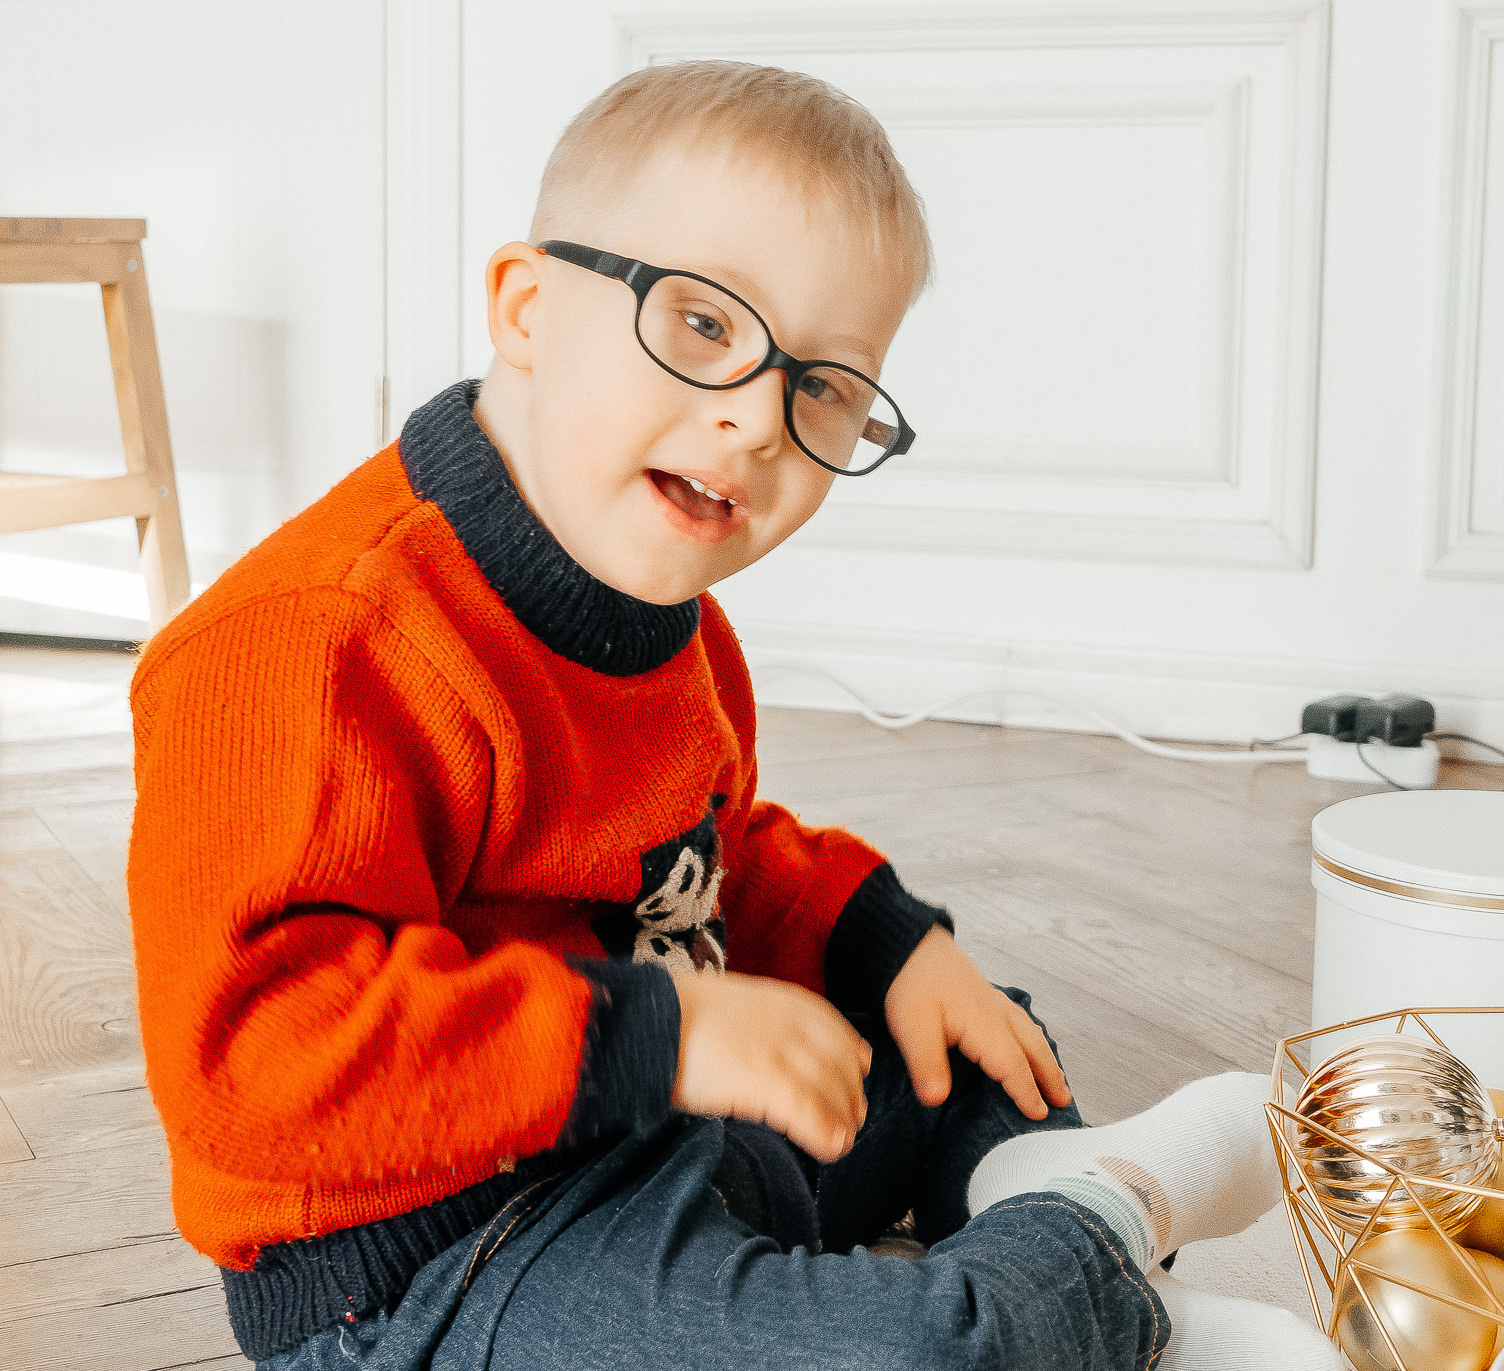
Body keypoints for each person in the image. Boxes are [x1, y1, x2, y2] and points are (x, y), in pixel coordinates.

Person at [124, 59, 1344, 1371]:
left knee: (962, 1035)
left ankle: (1033, 1216)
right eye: (703, 325)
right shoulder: (315, 640)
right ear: (527, 309)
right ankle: (1101, 1250)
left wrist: (880, 940)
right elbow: (254, 1067)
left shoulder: (673, 616)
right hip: (439, 1254)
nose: (757, 418)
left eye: (823, 386)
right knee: (927, 1352)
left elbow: (701, 853)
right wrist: (667, 1036)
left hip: (660, 1126)